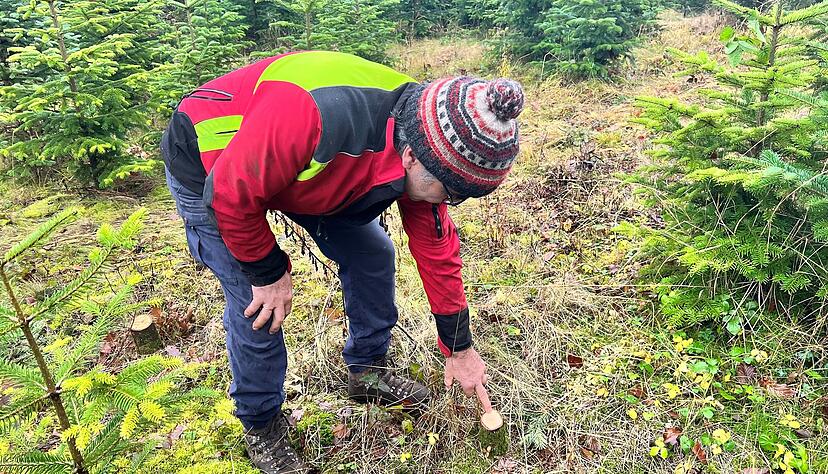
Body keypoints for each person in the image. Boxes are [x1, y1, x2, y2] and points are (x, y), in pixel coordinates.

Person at [160, 50, 523, 473]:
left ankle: (367, 371)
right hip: (211, 162)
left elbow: (438, 254)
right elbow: (230, 194)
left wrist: (458, 348)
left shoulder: (427, 139)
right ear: (412, 158)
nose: (449, 202)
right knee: (257, 303)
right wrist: (268, 270)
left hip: (306, 172)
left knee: (373, 254)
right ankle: (261, 423)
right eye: (449, 191)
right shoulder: (310, 115)